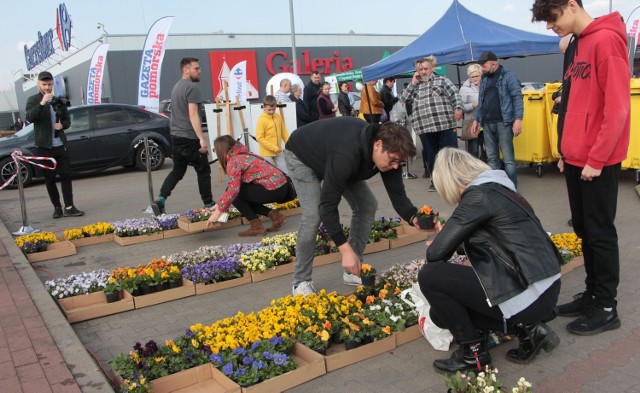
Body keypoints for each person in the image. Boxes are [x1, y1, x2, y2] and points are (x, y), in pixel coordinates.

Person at [532, 0, 630, 335]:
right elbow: (571, 102)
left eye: (552, 17)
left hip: (596, 162)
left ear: (571, 5)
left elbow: (617, 109)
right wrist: (564, 148)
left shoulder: (607, 40)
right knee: (585, 231)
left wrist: (596, 158)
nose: (549, 26)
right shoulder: (576, 45)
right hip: (576, 158)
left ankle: (606, 306)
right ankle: (592, 294)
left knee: (600, 233)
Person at [419, 147, 561, 373]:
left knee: (430, 277)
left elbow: (435, 254)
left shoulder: (477, 196)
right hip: (546, 287)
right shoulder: (500, 189)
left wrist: (449, 236)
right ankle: (530, 331)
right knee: (441, 312)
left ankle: (472, 353)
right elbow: (493, 240)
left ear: (450, 180)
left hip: (529, 295)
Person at [284, 117, 424, 296]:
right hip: (301, 155)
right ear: (378, 145)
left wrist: (414, 217)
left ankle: (352, 270)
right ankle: (301, 281)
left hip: (332, 157)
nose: (395, 166)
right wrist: (345, 250)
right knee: (313, 215)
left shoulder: (390, 154)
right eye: (392, 161)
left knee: (367, 204)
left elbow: (397, 195)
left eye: (399, 163)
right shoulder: (346, 155)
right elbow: (327, 207)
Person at [153, 58, 213, 215]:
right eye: (197, 68)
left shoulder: (176, 87)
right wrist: (201, 138)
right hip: (189, 137)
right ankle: (209, 203)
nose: (200, 71)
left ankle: (161, 199)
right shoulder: (191, 88)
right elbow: (193, 114)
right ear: (186, 70)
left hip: (176, 136)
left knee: (178, 171)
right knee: (203, 170)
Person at [25, 71, 84, 219]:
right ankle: (57, 207)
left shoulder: (58, 100)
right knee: (50, 179)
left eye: (49, 84)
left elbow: (67, 121)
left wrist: (62, 126)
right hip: (44, 148)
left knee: (66, 177)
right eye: (44, 84)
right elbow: (30, 117)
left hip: (60, 146)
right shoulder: (33, 100)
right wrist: (43, 102)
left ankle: (69, 207)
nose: (47, 87)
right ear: (39, 84)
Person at [400, 55, 463, 191]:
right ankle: (437, 182)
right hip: (424, 128)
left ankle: (455, 181)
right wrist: (412, 84)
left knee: (450, 154)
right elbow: (403, 100)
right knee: (432, 156)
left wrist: (458, 108)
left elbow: (455, 95)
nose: (423, 71)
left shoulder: (442, 81)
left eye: (426, 68)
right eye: (420, 69)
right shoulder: (414, 86)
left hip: (444, 124)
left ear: (432, 68)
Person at [206, 135, 289, 236]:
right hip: (282, 188)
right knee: (239, 192)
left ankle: (256, 227)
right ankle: (276, 217)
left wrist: (218, 212)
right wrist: (219, 204)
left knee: (236, 196)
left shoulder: (234, 161)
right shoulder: (245, 153)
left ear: (222, 151)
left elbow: (233, 189)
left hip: (273, 190)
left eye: (215, 150)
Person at [471, 51, 523, 189]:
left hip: (503, 123)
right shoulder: (485, 79)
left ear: (494, 64)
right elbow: (481, 101)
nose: (482, 68)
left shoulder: (508, 76)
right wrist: (476, 119)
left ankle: (512, 188)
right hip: (487, 124)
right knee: (492, 159)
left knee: (508, 160)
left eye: (484, 65)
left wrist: (518, 119)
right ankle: (497, 187)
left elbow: (517, 97)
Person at [255, 95, 289, 174]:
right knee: (268, 173)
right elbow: (259, 138)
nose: (271, 112)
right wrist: (274, 148)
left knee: (285, 172)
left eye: (273, 109)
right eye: (269, 110)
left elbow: (284, 132)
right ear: (264, 107)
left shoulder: (278, 117)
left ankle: (286, 185)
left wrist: (290, 143)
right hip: (266, 152)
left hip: (278, 151)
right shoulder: (262, 120)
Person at [459, 64, 482, 158]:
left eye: (477, 76)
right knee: (473, 150)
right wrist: (472, 105)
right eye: (472, 77)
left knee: (487, 149)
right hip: (471, 123)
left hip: (486, 122)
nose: (474, 78)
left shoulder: (486, 85)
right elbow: (461, 107)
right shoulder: (464, 89)